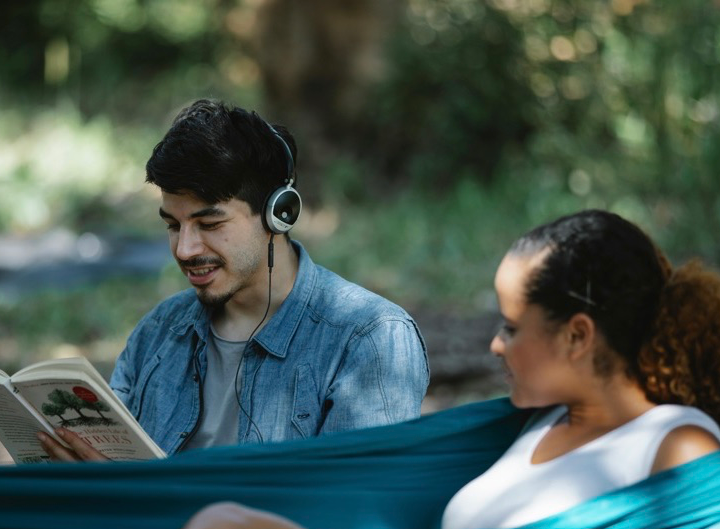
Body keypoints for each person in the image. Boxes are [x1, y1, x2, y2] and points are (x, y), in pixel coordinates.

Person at [167, 208, 720, 529]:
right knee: (220, 524)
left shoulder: (677, 445)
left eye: (513, 328)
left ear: (577, 335)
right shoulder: (536, 426)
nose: (496, 344)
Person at [38, 99, 429, 461]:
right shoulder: (158, 332)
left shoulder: (370, 339)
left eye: (209, 224)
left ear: (280, 214)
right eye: (174, 226)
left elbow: (351, 510)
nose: (185, 249)